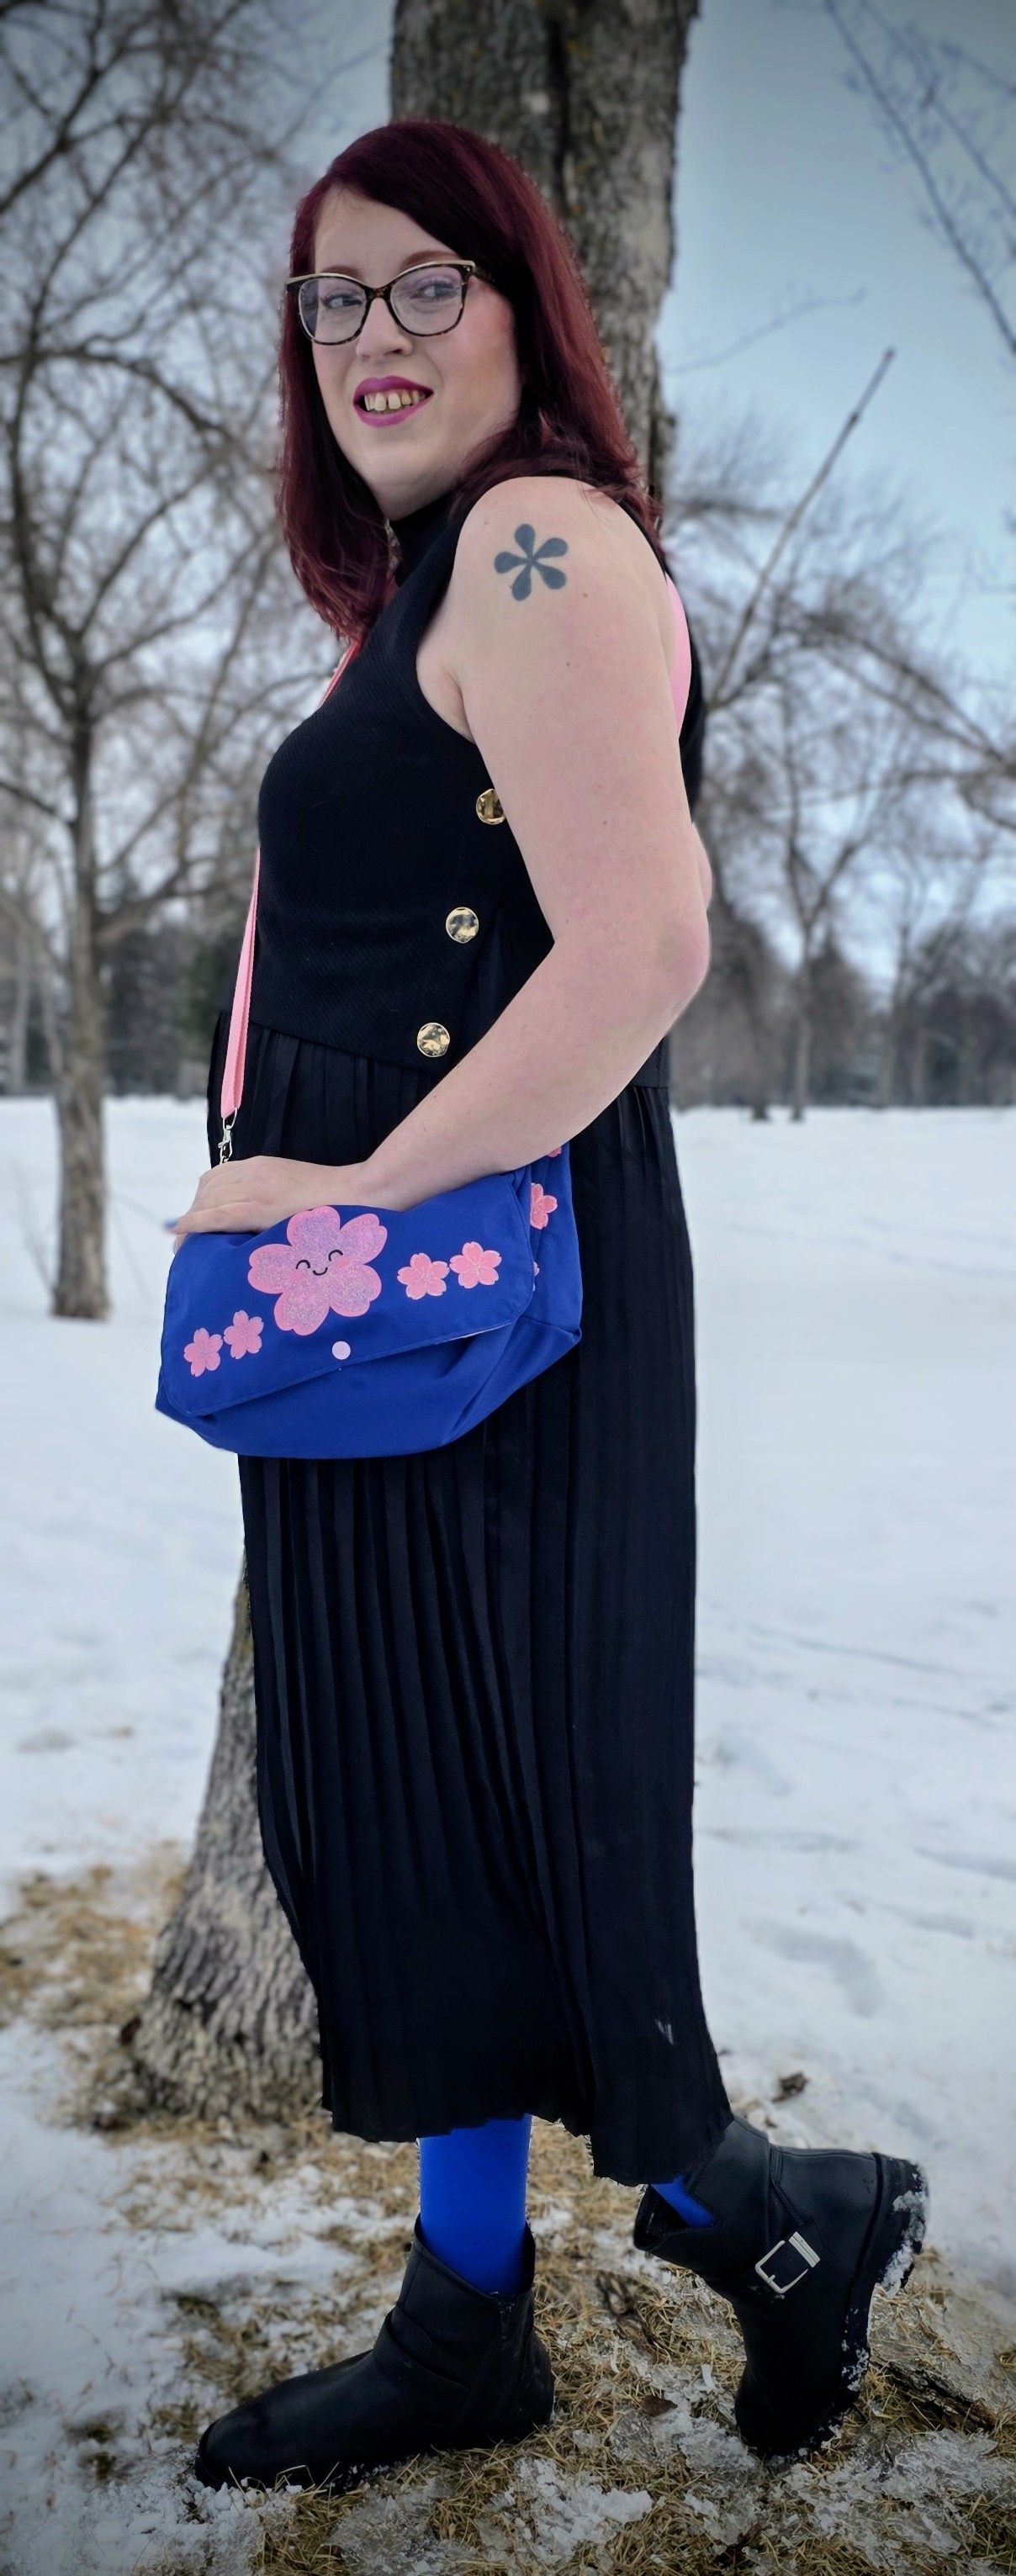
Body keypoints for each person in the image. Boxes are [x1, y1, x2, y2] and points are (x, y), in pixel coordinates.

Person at [171, 119, 927, 2492]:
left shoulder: (539, 537)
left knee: (517, 1801)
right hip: (404, 1308)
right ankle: (471, 2315)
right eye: (332, 301)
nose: (374, 338)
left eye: (427, 289)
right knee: (413, 1814)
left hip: (491, 1296)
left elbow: (647, 946)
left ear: (527, 310)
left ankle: (763, 2220)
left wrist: (354, 1204)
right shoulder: (426, 585)